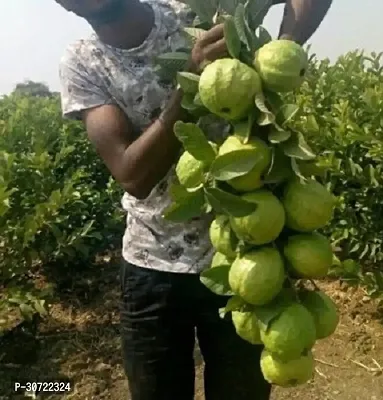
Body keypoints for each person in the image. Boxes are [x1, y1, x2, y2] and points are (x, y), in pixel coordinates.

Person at [56, 0, 332, 399]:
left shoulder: (194, 13)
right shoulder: (83, 62)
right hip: (151, 267)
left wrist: (279, 53)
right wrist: (193, 83)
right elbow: (133, 174)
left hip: (248, 260)